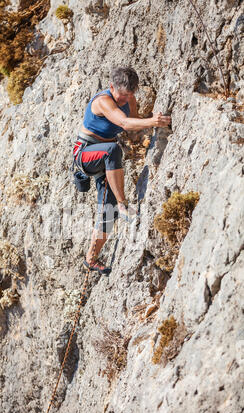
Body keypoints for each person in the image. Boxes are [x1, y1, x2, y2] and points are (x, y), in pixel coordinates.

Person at [73, 66, 171, 275]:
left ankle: (91, 258)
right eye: (122, 94)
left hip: (105, 158)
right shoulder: (103, 101)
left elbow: (133, 129)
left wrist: (150, 127)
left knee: (108, 210)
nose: (126, 99)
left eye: (130, 95)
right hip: (85, 153)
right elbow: (125, 123)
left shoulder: (129, 100)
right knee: (112, 150)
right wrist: (152, 121)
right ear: (111, 87)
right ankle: (123, 204)